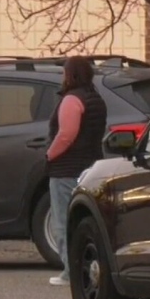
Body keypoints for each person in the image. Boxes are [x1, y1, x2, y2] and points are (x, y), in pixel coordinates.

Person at [45, 56, 108, 286]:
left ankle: (69, 271)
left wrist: (49, 155)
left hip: (66, 168)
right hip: (90, 167)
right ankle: (84, 267)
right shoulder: (96, 99)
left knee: (62, 222)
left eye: (64, 73)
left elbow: (66, 134)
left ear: (70, 75)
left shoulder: (71, 100)